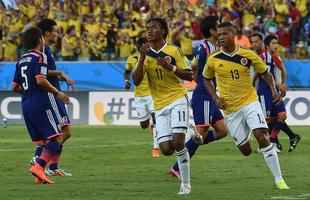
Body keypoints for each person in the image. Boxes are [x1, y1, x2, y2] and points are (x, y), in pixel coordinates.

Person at [203, 21, 289, 190]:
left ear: (233, 34)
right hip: (230, 109)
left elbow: (265, 72)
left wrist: (273, 89)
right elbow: (206, 78)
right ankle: (246, 136)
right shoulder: (213, 59)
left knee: (262, 135)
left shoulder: (247, 54)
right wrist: (215, 97)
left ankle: (279, 179)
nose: (221, 38)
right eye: (219, 35)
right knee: (246, 151)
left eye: (224, 34)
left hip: (250, 102)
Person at [133, 17, 193, 195]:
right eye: (147, 28)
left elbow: (189, 76)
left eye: (154, 28)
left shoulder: (174, 50)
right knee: (166, 149)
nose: (149, 31)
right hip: (159, 105)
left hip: (177, 99)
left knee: (179, 142)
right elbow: (136, 81)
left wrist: (171, 67)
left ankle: (186, 184)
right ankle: (190, 129)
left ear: (164, 31)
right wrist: (142, 59)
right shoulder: (144, 53)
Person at [169, 15, 228, 178]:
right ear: (212, 31)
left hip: (210, 94)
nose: (222, 30)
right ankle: (178, 166)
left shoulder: (212, 47)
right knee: (202, 132)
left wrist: (196, 76)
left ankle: (192, 142)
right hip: (204, 94)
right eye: (219, 27)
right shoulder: (207, 48)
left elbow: (194, 65)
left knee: (222, 131)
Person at [12, 27, 70, 184]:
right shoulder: (40, 56)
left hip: (26, 105)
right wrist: (57, 92)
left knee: (46, 140)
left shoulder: (21, 60)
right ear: (40, 40)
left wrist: (29, 92)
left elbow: (14, 87)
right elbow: (40, 80)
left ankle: (40, 175)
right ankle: (39, 166)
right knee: (58, 137)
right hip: (41, 104)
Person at [30, 18, 75, 176]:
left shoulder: (47, 49)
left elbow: (47, 71)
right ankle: (40, 159)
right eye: (55, 31)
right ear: (47, 33)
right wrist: (60, 73)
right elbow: (42, 72)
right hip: (51, 94)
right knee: (63, 133)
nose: (58, 34)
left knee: (62, 133)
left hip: (54, 91)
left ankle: (52, 167)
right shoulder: (43, 50)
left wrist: (61, 76)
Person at [251, 34, 300, 152]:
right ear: (267, 45)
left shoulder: (271, 56)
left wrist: (281, 85)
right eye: (273, 43)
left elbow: (272, 72)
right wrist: (279, 85)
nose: (276, 45)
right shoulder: (265, 56)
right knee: (270, 119)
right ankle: (271, 142)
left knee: (278, 117)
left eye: (276, 43)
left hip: (271, 90)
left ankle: (271, 141)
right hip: (267, 90)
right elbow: (264, 72)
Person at [124, 37, 159, 158]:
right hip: (139, 96)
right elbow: (127, 71)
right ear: (139, 47)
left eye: (148, 45)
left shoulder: (153, 57)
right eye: (145, 45)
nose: (147, 47)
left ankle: (155, 149)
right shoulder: (132, 59)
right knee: (144, 125)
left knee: (156, 120)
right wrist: (126, 81)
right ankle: (151, 125)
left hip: (152, 94)